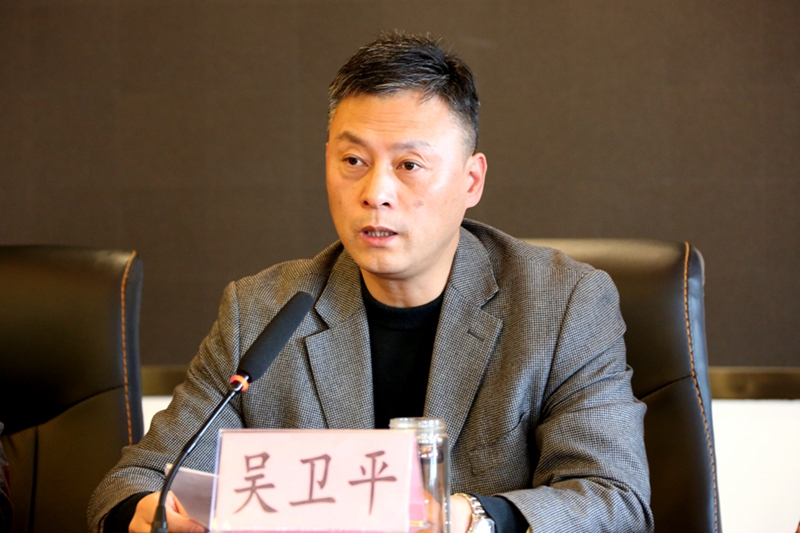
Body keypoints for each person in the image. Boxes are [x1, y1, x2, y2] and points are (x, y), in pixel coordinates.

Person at [88, 32, 653, 533]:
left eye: (409, 166)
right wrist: (145, 510)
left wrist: (473, 518)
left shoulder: (563, 304)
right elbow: (134, 481)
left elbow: (614, 500)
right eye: (353, 161)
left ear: (471, 180)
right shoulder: (262, 311)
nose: (375, 192)